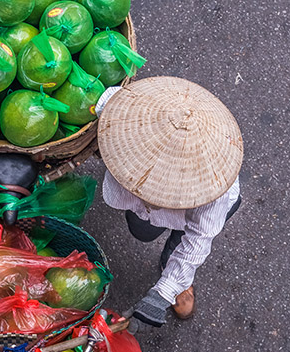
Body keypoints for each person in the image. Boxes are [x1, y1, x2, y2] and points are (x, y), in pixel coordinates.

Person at [95, 76, 243, 334]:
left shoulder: (214, 187)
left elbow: (200, 238)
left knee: (185, 239)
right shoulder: (126, 108)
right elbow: (104, 100)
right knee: (141, 230)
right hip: (148, 211)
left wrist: (162, 294)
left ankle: (176, 274)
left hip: (198, 214)